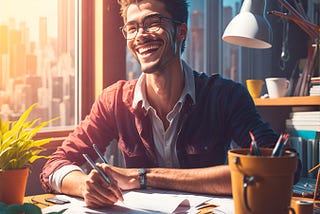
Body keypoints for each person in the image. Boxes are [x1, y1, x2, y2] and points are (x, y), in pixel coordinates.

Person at [40, 0, 291, 208]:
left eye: (153, 23)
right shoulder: (114, 101)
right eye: (132, 28)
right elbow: (54, 166)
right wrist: (87, 186)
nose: (140, 36)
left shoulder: (225, 96)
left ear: (181, 32)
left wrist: (142, 177)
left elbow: (275, 169)